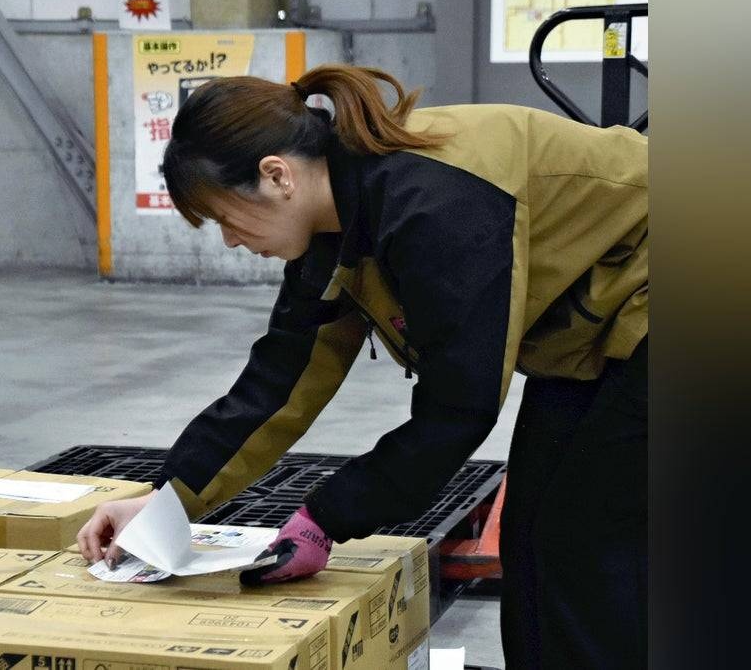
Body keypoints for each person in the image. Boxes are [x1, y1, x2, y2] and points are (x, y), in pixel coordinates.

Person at [76, 64, 646, 669]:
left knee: (585, 538)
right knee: (531, 535)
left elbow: (459, 408)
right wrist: (166, 501)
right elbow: (280, 381)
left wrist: (325, 516)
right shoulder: (338, 224)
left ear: (277, 175)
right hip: (604, 328)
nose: (230, 241)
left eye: (225, 217)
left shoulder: (432, 206)